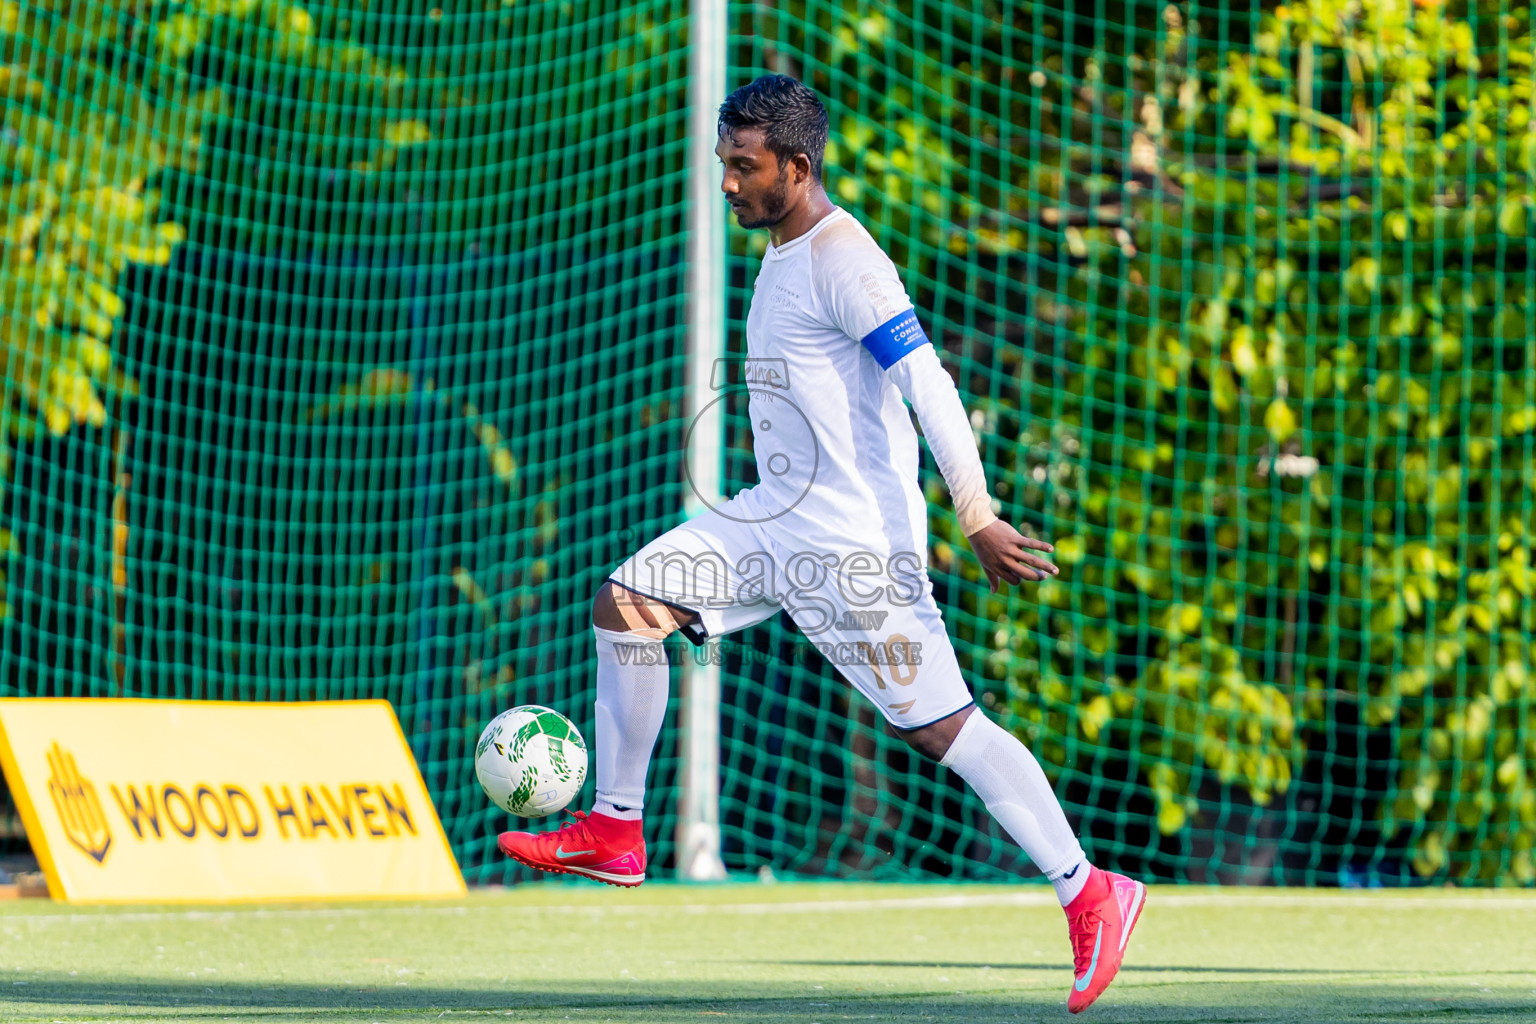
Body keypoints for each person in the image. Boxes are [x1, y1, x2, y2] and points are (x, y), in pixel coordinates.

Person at [498, 73, 1145, 1014]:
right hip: (770, 520)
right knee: (626, 603)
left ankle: (1090, 890)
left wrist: (976, 513)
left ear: (797, 168)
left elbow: (928, 383)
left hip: (854, 555)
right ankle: (618, 828)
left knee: (940, 730)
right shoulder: (782, 247)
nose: (727, 182)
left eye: (744, 167)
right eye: (724, 162)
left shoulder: (847, 260)